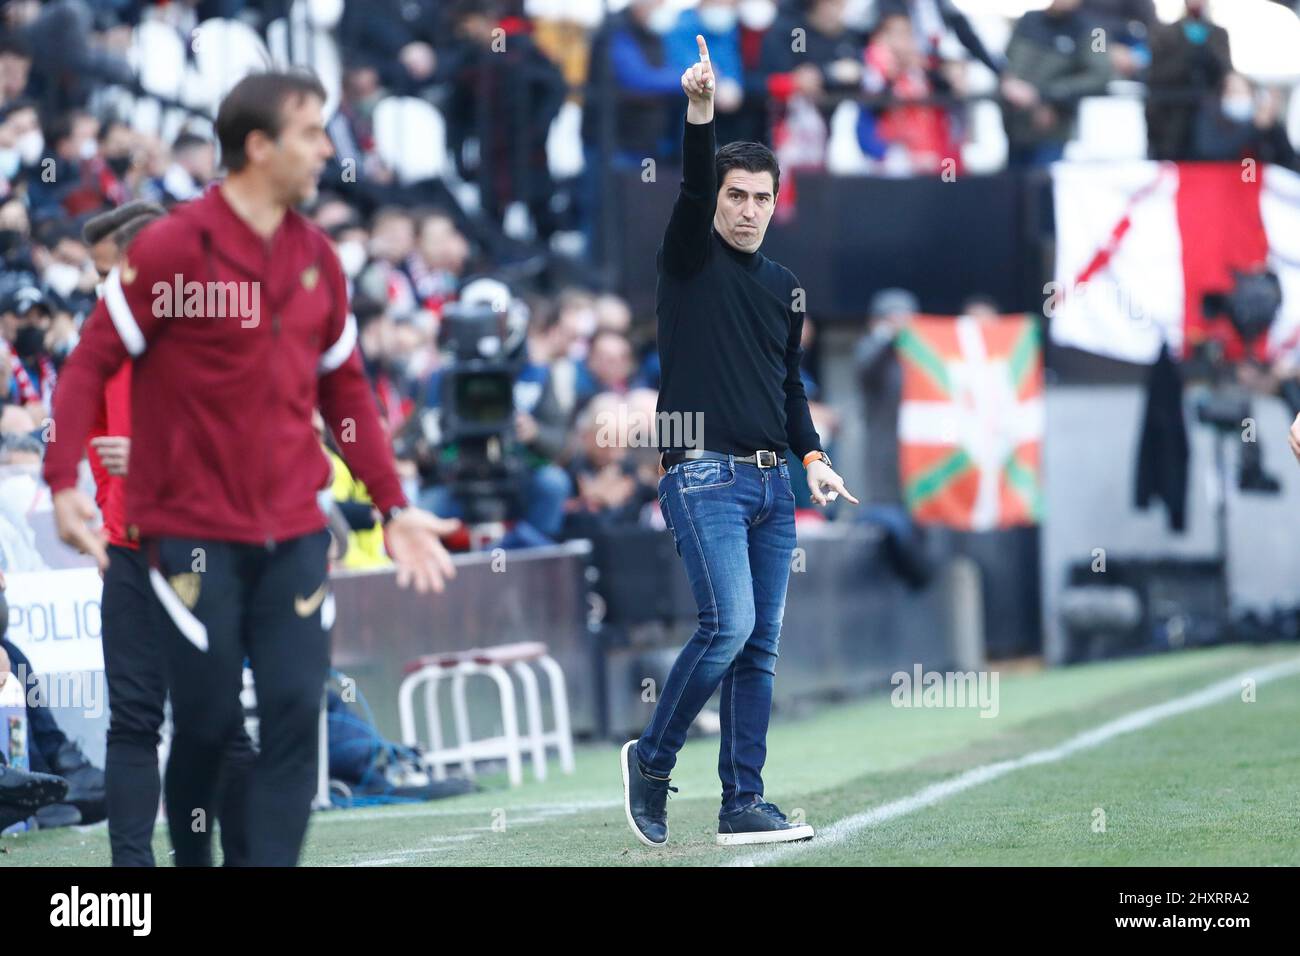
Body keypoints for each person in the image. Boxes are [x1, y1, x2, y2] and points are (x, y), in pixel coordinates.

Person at [44, 70, 460, 867]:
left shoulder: (319, 258)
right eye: (311, 133)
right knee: (202, 726)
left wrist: (394, 502)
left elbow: (346, 392)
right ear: (260, 147)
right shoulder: (168, 249)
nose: (327, 150)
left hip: (296, 531)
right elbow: (88, 366)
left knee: (295, 711)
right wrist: (64, 480)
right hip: (189, 535)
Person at [621, 36, 858, 849]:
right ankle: (651, 764)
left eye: (761, 196)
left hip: (772, 486)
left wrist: (815, 458)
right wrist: (699, 111)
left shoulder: (785, 288)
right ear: (717, 199)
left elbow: (787, 388)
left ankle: (742, 804)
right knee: (727, 627)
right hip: (702, 475)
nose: (748, 208)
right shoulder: (688, 259)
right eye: (736, 194)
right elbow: (690, 182)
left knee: (758, 648)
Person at [81, 200, 258, 866]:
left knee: (217, 723)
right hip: (129, 551)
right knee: (131, 721)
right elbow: (102, 447)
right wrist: (109, 515)